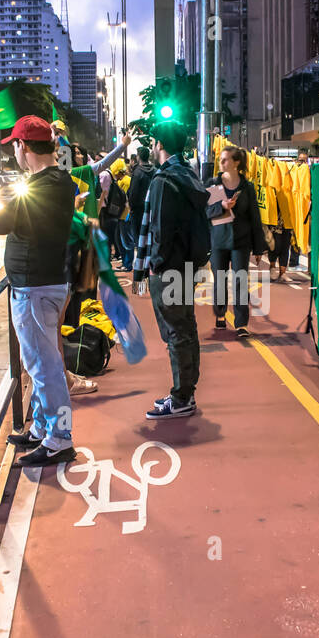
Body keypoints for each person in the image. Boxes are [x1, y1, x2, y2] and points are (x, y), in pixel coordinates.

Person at [0, 115, 78, 467]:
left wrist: (5, 195)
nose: (15, 151)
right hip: (45, 281)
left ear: (23, 147)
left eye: (15, 144)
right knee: (39, 362)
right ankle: (43, 428)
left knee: (44, 365)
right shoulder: (59, 181)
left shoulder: (38, 187)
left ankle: (59, 438)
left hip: (34, 285)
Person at [133, 120, 209, 420]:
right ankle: (185, 391)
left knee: (175, 332)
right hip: (187, 265)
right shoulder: (188, 175)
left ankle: (181, 398)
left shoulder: (163, 181)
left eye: (153, 143)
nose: (152, 148)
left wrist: (152, 266)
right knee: (186, 329)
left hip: (167, 269)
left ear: (160, 145)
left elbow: (158, 229)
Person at [206, 144, 266, 337]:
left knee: (240, 280)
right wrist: (222, 205)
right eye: (220, 159)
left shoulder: (246, 187)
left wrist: (258, 248)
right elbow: (206, 211)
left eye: (225, 160)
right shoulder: (214, 183)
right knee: (220, 280)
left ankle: (241, 323)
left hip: (241, 241)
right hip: (218, 240)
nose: (221, 163)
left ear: (236, 163)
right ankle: (220, 313)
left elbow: (255, 218)